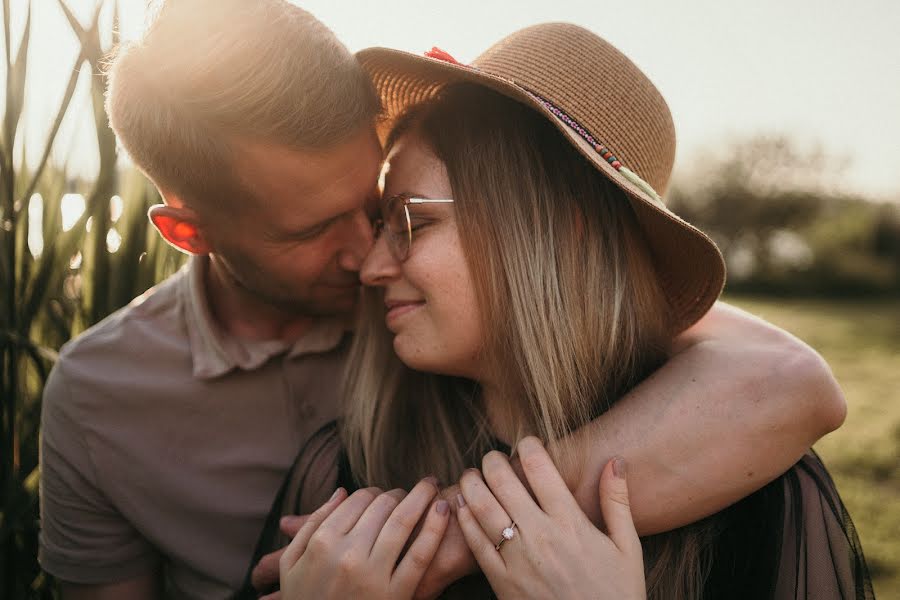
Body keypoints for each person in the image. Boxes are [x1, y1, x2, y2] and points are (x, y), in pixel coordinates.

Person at [39, 1, 845, 598]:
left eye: (394, 213)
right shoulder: (108, 403)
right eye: (322, 227)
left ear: (547, 235)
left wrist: (461, 529)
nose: (368, 261)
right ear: (189, 233)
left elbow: (786, 380)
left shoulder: (743, 473)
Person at [250, 24, 873, 599]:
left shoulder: (758, 493)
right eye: (380, 223)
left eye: (413, 221)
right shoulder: (342, 476)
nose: (370, 267)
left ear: (557, 230)